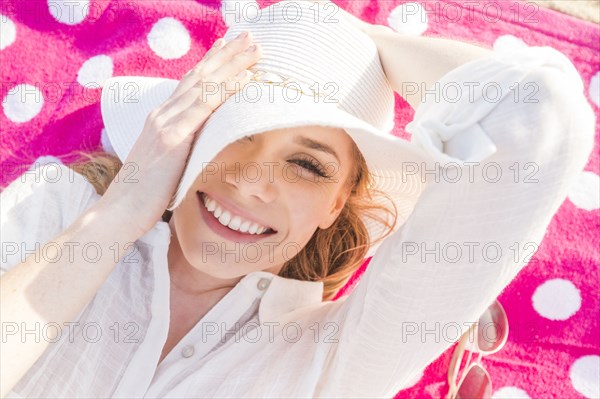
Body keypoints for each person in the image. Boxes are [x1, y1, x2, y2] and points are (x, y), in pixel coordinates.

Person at [0, 1, 595, 398]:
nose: (254, 182)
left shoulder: (334, 359)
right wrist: (124, 209)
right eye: (234, 131)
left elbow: (539, 110)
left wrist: (349, 37)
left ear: (338, 205)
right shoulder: (62, 210)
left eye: (306, 165)